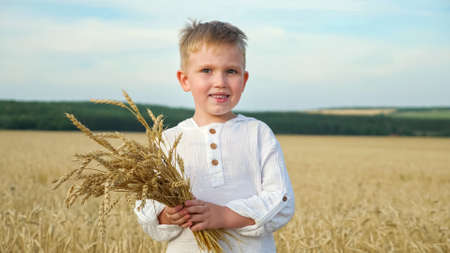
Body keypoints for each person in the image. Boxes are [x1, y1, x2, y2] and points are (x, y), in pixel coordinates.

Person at [134, 20, 295, 253]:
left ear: (244, 79)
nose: (220, 82)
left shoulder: (257, 133)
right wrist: (167, 216)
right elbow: (145, 209)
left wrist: (224, 216)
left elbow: (282, 202)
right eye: (206, 70)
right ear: (185, 80)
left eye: (231, 71)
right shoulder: (167, 141)